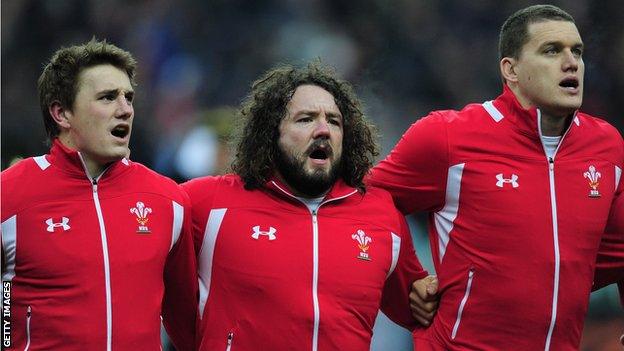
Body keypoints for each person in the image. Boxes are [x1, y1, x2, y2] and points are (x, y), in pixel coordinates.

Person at [369, 4, 623, 350]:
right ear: (511, 69)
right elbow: (366, 200)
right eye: (552, 50)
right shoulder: (447, 136)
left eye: (576, 51)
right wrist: (407, 280)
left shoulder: (607, 148)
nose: (571, 62)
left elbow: (619, 250)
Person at [182, 62, 436, 350]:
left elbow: (422, 312)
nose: (323, 130)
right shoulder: (208, 203)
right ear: (271, 132)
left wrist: (433, 292)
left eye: (334, 121)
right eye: (306, 119)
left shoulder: (382, 215)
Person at [1, 39, 197, 350]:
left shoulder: (168, 199)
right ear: (62, 113)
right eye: (108, 98)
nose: (125, 109)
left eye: (128, 97)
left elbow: (188, 323)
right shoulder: (8, 195)